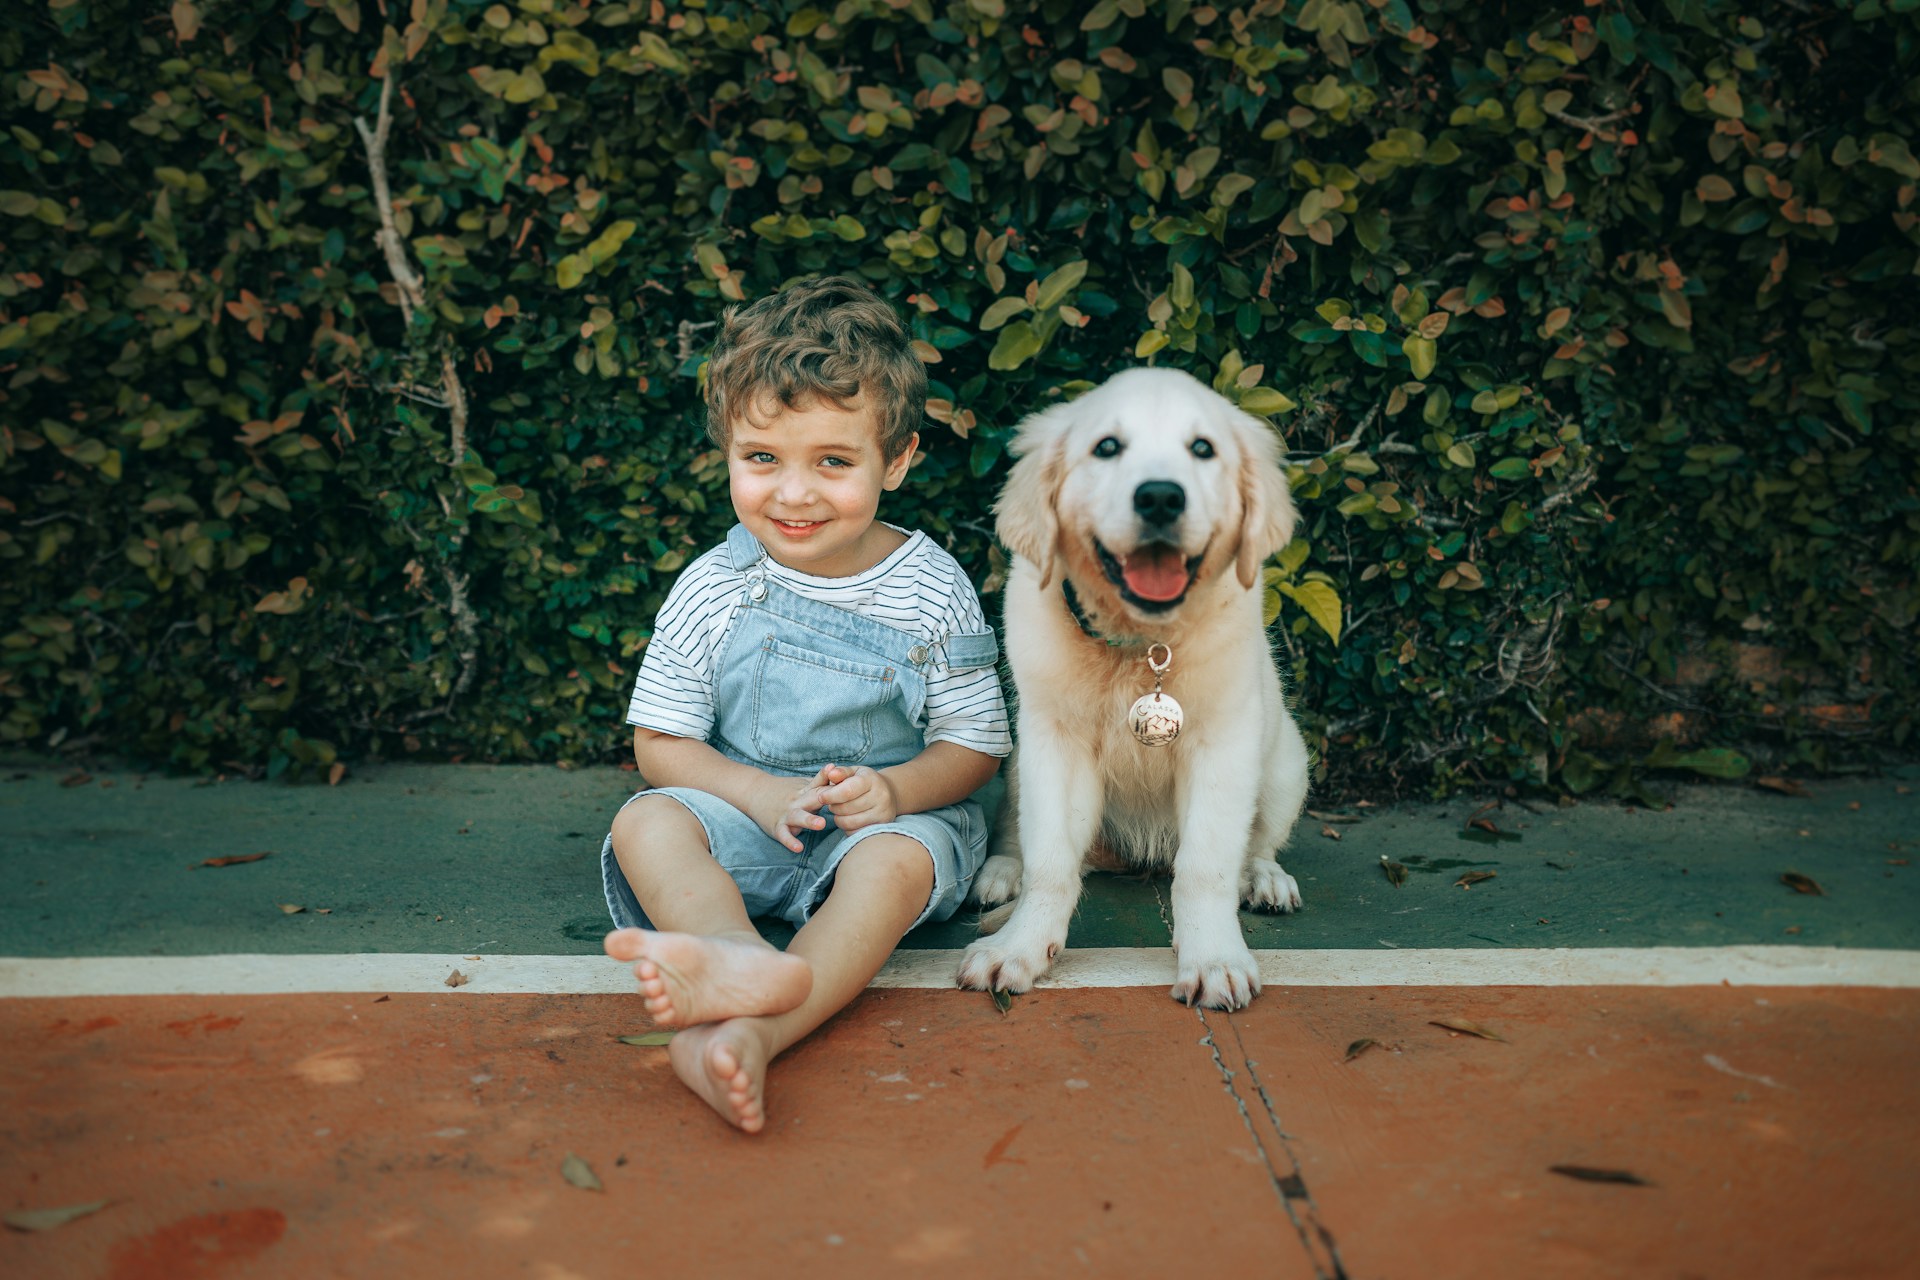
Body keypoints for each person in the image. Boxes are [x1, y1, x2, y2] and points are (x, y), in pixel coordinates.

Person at [599, 275, 1010, 1132]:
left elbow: (976, 746)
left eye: (833, 461)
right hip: (747, 817)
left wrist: (895, 792)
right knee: (646, 821)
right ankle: (736, 956)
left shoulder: (932, 589)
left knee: (893, 865)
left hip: (883, 823)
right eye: (762, 459)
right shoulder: (716, 585)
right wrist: (753, 794)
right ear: (728, 455)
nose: (793, 494)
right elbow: (661, 743)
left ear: (896, 461)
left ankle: (754, 1031)